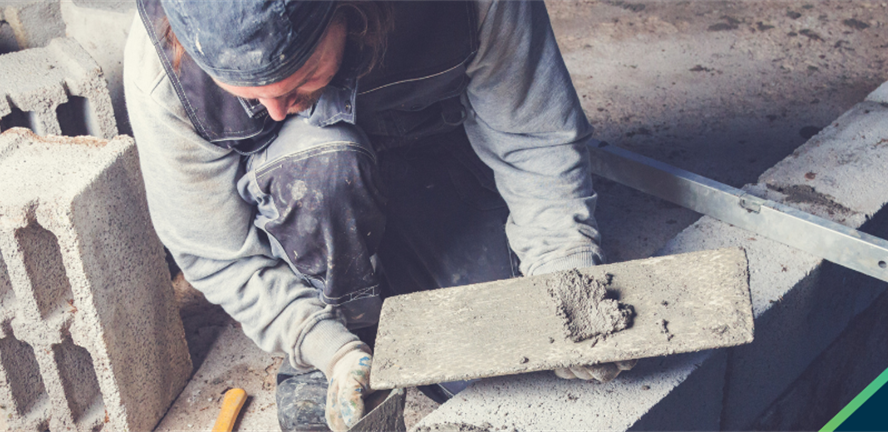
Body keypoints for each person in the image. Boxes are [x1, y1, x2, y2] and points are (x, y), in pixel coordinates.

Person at [123, 0, 635, 430]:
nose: (276, 111)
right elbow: (214, 250)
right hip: (308, 201)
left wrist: (563, 272)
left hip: (434, 156)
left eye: (297, 82)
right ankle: (337, 327)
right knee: (317, 167)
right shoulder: (163, 70)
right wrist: (319, 342)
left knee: (505, 368)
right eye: (253, 96)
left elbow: (535, 138)